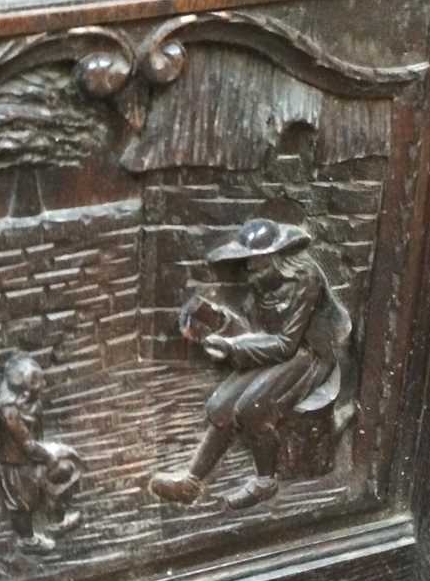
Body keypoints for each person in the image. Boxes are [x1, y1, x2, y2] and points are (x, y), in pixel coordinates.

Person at [150, 217, 351, 511]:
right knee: (220, 405)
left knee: (253, 408)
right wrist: (217, 323)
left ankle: (265, 482)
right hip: (279, 351)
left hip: (312, 354)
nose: (249, 272)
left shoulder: (305, 280)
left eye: (255, 264)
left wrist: (233, 348)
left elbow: (286, 344)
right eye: (248, 264)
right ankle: (191, 482)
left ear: (274, 259)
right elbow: (256, 332)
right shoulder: (263, 286)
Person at [0, 353, 81, 553]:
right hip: (17, 465)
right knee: (22, 504)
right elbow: (27, 443)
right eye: (38, 382)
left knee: (57, 481)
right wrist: (50, 457)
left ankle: (56, 520)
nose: (44, 384)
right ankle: (27, 540)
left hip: (33, 457)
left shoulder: (31, 403)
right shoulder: (10, 412)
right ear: (24, 392)